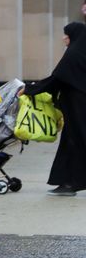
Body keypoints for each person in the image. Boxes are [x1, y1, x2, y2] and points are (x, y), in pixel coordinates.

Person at [21, 21, 86, 196]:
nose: (63, 38)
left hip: (77, 108)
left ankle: (68, 183)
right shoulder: (80, 51)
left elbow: (56, 79)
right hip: (77, 108)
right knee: (72, 144)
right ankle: (67, 183)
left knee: (75, 143)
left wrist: (29, 89)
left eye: (66, 34)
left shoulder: (73, 55)